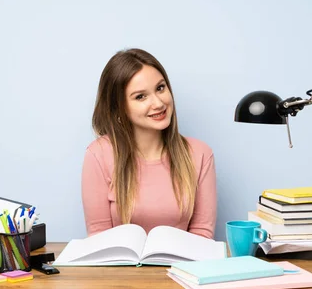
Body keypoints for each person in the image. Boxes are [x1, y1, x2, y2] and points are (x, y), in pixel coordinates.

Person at [81, 48, 217, 239]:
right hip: (119, 267)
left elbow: (202, 234)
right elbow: (98, 236)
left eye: (160, 88)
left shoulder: (200, 154)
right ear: (119, 109)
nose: (158, 103)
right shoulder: (98, 154)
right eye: (140, 96)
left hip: (181, 268)